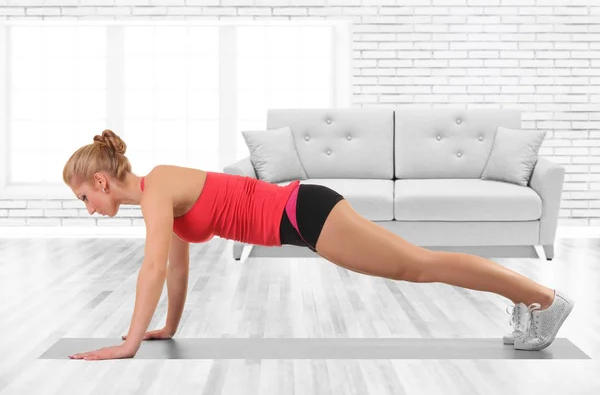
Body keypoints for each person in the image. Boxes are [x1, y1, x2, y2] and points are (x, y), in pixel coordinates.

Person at [63, 130, 574, 360]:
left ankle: (544, 301)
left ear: (103, 182)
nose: (88, 209)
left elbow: (149, 269)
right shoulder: (163, 202)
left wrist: (127, 344)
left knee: (418, 265)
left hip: (304, 212)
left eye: (84, 197)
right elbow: (172, 270)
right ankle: (533, 302)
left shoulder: (159, 187)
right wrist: (166, 328)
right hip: (303, 217)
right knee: (418, 263)